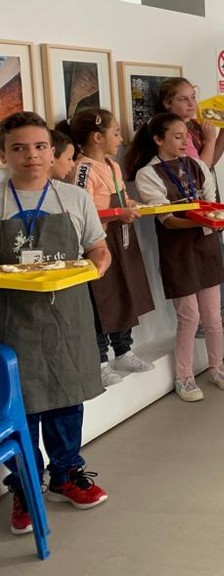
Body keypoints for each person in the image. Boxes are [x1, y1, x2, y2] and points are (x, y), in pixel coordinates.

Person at [0, 112, 112, 535]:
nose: (32, 156)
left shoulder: (74, 197)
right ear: (4, 154)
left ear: (52, 150)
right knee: (21, 405)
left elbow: (99, 250)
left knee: (67, 397)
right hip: (12, 318)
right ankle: (25, 488)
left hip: (67, 314)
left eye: (40, 146)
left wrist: (95, 269)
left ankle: (67, 475)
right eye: (20, 147)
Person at [125, 112, 224, 402]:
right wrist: (206, 219)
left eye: (186, 136)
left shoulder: (198, 165)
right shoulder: (147, 174)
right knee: (189, 315)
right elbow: (167, 220)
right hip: (178, 251)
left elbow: (211, 202)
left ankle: (218, 366)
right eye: (177, 136)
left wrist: (217, 217)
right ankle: (184, 376)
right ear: (158, 140)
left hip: (206, 247)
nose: (184, 141)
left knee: (214, 315)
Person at [58, 108, 156, 388]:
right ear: (97, 137)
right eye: (115, 132)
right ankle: (100, 359)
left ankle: (123, 349)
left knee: (126, 292)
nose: (121, 138)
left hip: (123, 239)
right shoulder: (83, 168)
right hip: (100, 241)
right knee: (102, 298)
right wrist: (117, 213)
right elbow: (82, 207)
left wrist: (131, 205)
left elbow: (122, 196)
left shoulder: (113, 165)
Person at [155, 77, 224, 340]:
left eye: (192, 97)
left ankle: (221, 313)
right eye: (183, 99)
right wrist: (210, 140)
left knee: (218, 257)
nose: (191, 103)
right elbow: (199, 170)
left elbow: (211, 162)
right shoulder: (175, 135)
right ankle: (216, 315)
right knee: (207, 260)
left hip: (208, 203)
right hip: (190, 209)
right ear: (167, 103)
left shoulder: (195, 127)